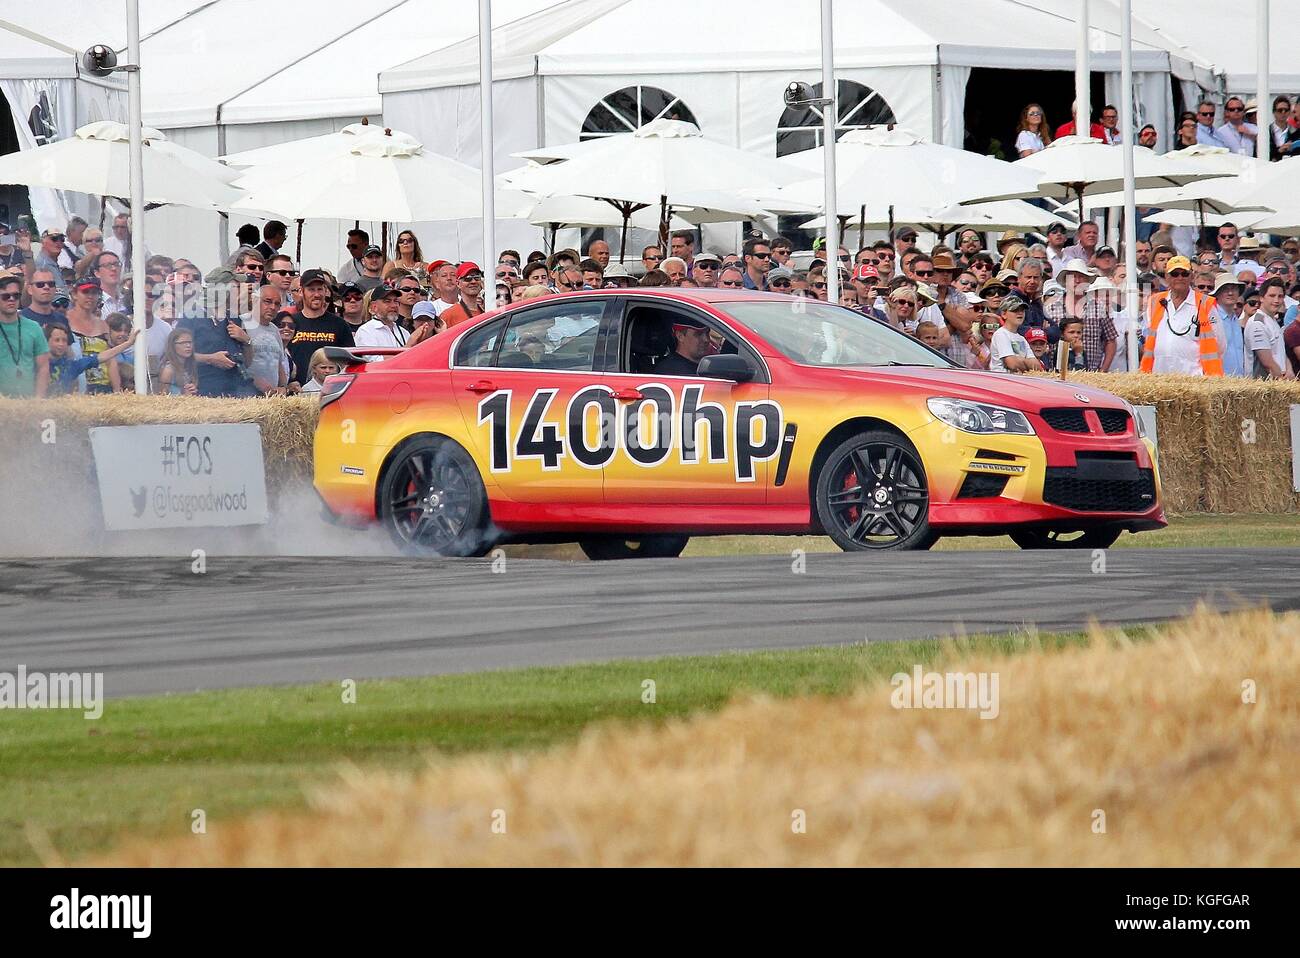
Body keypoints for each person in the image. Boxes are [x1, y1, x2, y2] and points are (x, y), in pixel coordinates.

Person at [1139, 256, 1224, 376]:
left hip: (1194, 379)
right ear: (1167, 277)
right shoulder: (1154, 302)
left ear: (1192, 276)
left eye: (1184, 273)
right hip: (1158, 378)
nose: (1180, 277)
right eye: (1175, 274)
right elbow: (1148, 339)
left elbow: (1220, 344)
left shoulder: (1205, 304)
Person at [1046, 259, 1116, 371]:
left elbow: (1111, 340)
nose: (1077, 281)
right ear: (1066, 280)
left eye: (1081, 277)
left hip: (1091, 374)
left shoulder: (1099, 308)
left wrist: (1103, 370)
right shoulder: (1051, 308)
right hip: (1056, 374)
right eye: (1073, 277)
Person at [286, 269, 353, 386]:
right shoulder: (291, 323)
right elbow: (283, 358)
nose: (316, 295)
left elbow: (349, 362)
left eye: (320, 289)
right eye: (311, 290)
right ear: (301, 291)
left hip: (331, 391)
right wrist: (290, 382)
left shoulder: (340, 324)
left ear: (325, 291)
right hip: (297, 392)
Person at [44, 322, 137, 396]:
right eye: (57, 340)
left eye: (64, 340)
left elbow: (102, 356)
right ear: (46, 341)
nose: (61, 344)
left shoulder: (71, 366)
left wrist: (128, 343)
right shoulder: (38, 365)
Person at [0, 273, 49, 397]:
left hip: (27, 404)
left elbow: (43, 367)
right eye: (5, 296)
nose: (11, 299)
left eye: (16, 296)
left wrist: (38, 400)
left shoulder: (34, 327)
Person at [1246, 278, 1294, 378]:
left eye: (1280, 296)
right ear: (1262, 298)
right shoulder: (1257, 323)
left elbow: (1280, 353)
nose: (1276, 300)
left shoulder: (1272, 321)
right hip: (1263, 386)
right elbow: (1267, 363)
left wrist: (1289, 370)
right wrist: (1282, 382)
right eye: (1272, 296)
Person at [244, 284, 287, 395]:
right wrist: (255, 380)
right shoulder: (242, 323)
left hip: (271, 397)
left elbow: (279, 364)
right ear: (255, 300)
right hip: (246, 392)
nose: (273, 307)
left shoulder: (275, 329)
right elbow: (236, 361)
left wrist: (282, 387)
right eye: (267, 301)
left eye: (277, 304)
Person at [989, 296, 1038, 374]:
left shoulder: (1022, 338)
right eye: (1015, 310)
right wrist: (1027, 363)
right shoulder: (1001, 334)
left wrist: (1020, 360)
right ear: (1004, 314)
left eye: (1022, 310)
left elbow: (1037, 367)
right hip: (1002, 382)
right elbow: (1012, 364)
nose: (1020, 313)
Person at [439, 263, 486, 328]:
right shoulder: (448, 315)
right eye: (467, 279)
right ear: (458, 283)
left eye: (477, 278)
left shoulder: (486, 312)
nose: (473, 282)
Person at [158, 326, 198, 396]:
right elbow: (162, 398)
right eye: (183, 343)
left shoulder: (189, 365)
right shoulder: (168, 370)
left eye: (190, 342)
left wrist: (192, 389)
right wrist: (183, 396)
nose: (188, 345)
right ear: (173, 345)